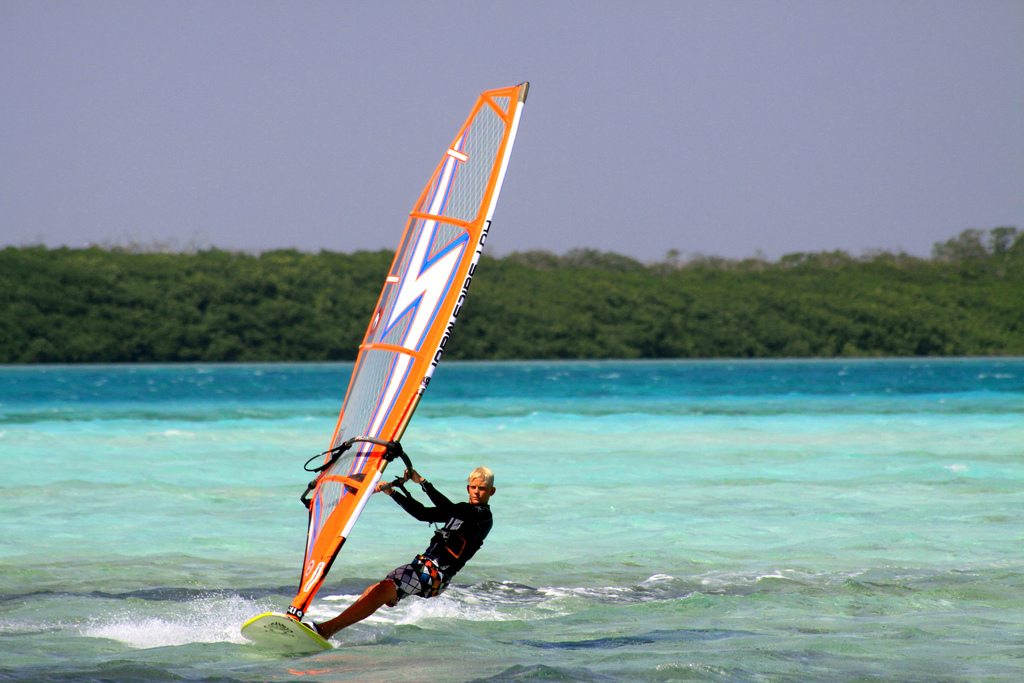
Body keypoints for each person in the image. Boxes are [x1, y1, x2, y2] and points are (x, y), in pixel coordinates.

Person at [311, 465, 496, 639]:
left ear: (491, 491)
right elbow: (422, 513)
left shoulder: (483, 516)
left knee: (381, 591)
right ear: (468, 488)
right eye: (473, 487)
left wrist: (422, 482)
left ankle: (325, 630)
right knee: (375, 590)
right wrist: (392, 492)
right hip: (422, 566)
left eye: (482, 488)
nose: (477, 492)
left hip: (435, 575)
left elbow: (449, 508)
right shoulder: (461, 510)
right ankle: (328, 630)